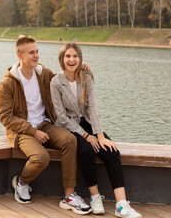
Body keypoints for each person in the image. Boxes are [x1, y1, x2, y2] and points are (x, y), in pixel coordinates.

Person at [0, 36, 92, 215]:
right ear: (20, 55)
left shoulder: (43, 74)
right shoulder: (7, 83)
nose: (36, 56)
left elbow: (65, 80)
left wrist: (79, 67)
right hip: (21, 131)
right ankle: (22, 182)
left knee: (70, 140)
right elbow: (5, 117)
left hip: (45, 124)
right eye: (31, 52)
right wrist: (32, 131)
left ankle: (69, 196)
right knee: (42, 157)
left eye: (37, 51)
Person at [50, 42, 142, 218]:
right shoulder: (56, 82)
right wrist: (86, 136)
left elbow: (93, 108)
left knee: (111, 150)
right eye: (68, 56)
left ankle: (121, 204)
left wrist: (100, 136)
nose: (71, 59)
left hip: (88, 123)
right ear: (62, 59)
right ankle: (95, 197)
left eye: (75, 56)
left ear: (80, 58)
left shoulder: (86, 77)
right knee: (85, 150)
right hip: (68, 126)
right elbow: (61, 116)